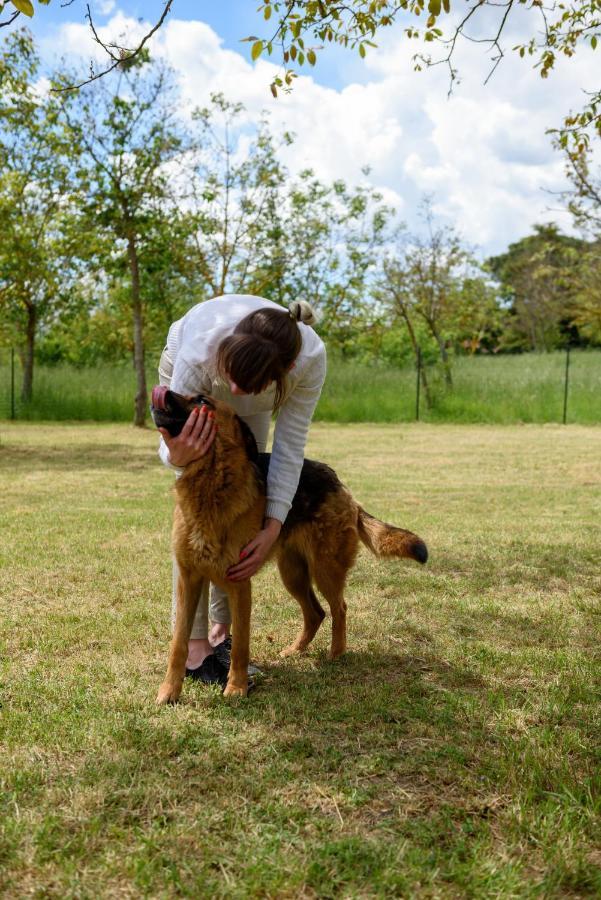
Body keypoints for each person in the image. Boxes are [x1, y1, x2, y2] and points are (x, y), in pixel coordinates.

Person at [156, 293, 326, 687]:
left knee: (246, 490)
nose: (232, 389)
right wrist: (178, 454)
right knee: (199, 497)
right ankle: (196, 650)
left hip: (260, 383)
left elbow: (288, 451)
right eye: (230, 378)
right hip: (196, 364)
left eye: (243, 385)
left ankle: (221, 632)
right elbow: (173, 445)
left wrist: (271, 528)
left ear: (283, 373)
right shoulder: (199, 351)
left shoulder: (310, 362)